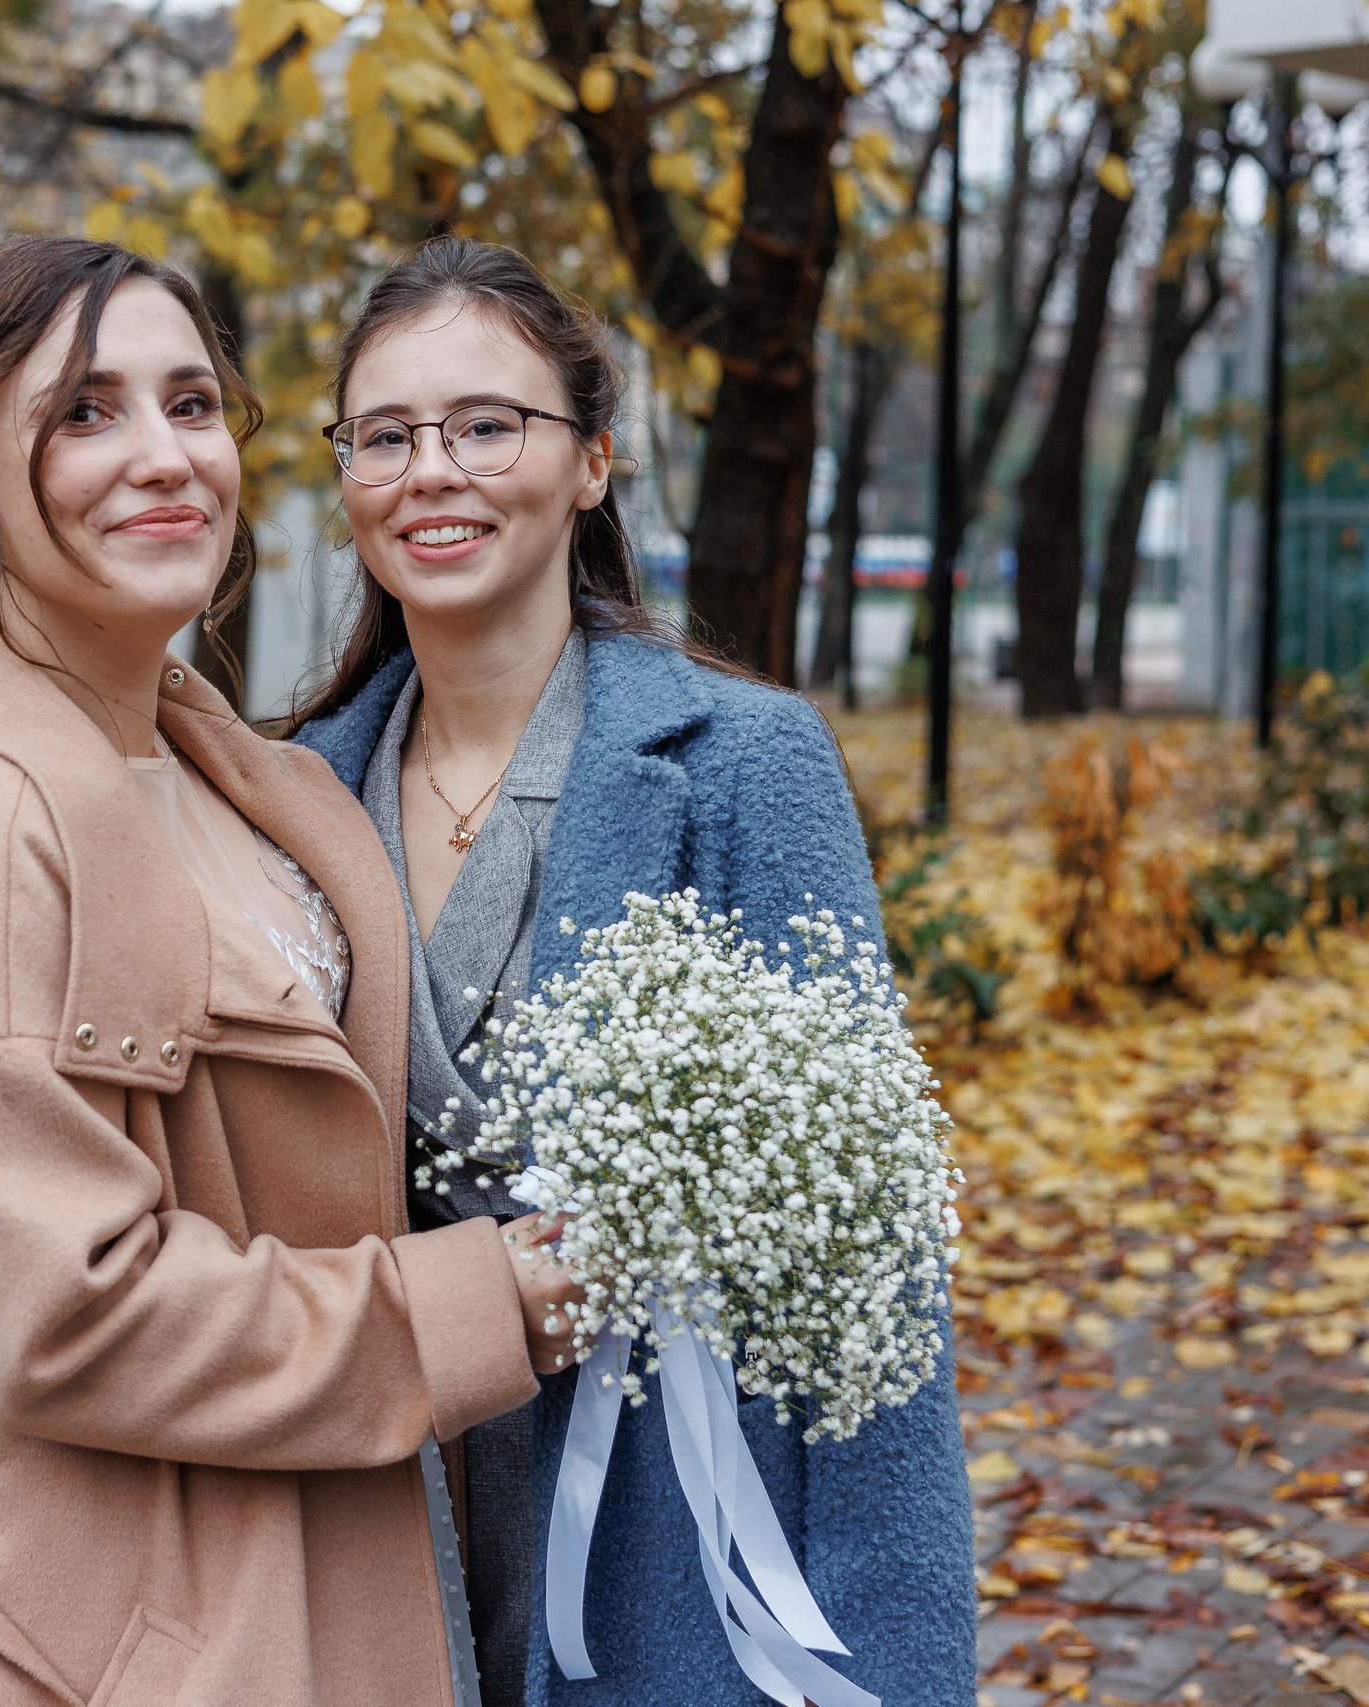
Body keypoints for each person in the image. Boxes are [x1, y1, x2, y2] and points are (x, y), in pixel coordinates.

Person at [0, 233, 580, 1707]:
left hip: (314, 1567)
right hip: (134, 1631)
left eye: (193, 402)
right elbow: (69, 1311)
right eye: (84, 415)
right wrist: (489, 1303)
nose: (167, 459)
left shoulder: (214, 760)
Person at [286, 237, 977, 1707]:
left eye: (488, 425)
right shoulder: (286, 796)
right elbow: (156, 1110)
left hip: (677, 1542)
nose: (433, 472)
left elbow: (865, 1255)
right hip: (371, 1526)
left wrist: (903, 1661)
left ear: (592, 461)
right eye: (385, 436)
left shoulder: (743, 766)